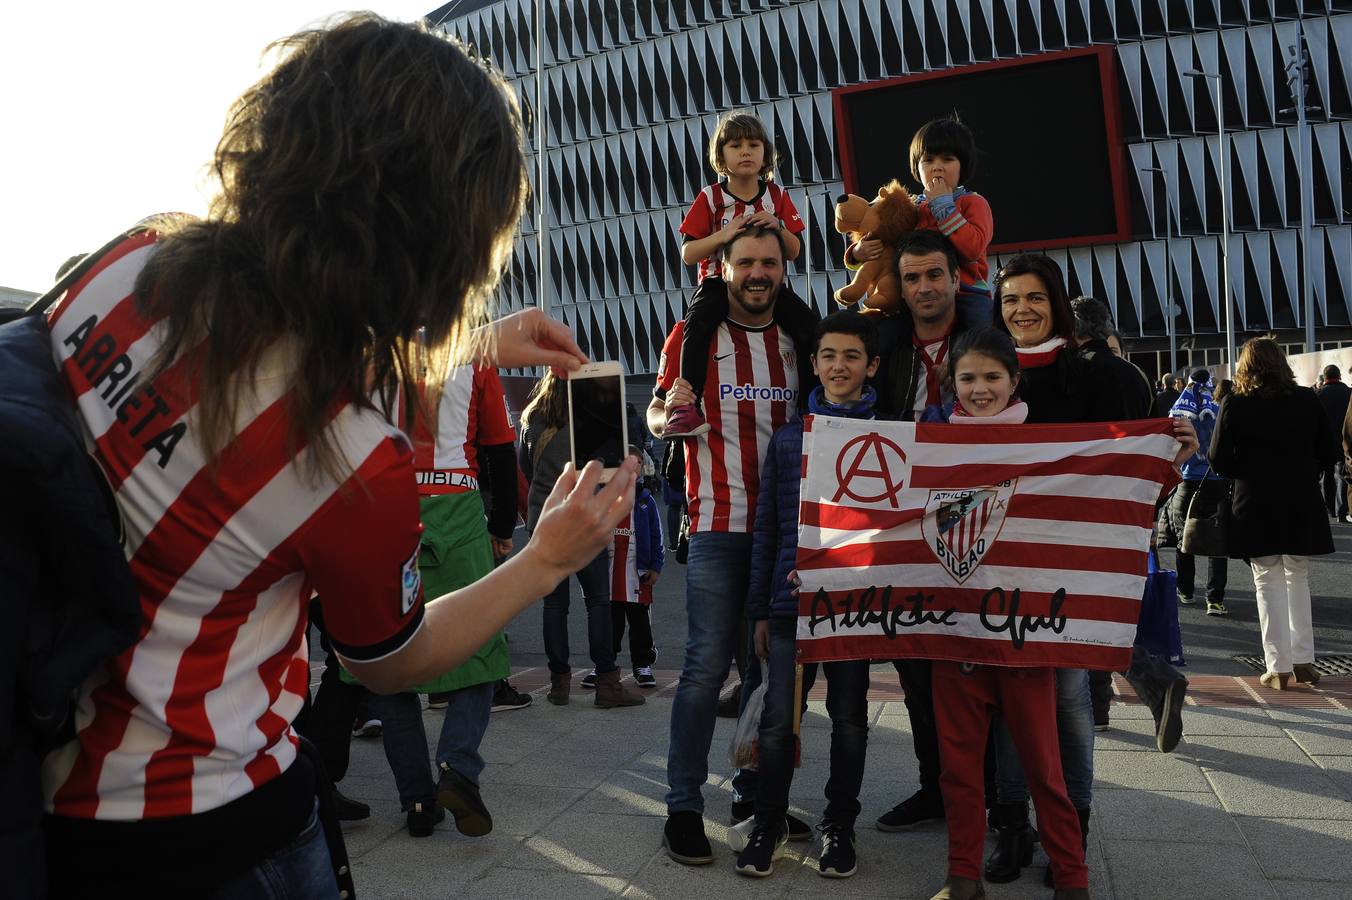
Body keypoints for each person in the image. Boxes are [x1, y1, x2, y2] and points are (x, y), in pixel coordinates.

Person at [39, 15, 637, 899]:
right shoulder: (352, 457)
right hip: (208, 814)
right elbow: (384, 660)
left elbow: (281, 341)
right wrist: (545, 560)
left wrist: (474, 342)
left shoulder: (132, 259)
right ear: (442, 235)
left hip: (53, 777)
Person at [989, 253, 1195, 886]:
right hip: (1000, 562)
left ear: (1055, 303)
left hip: (1073, 562)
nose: (1021, 310)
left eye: (1034, 298)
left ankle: (1069, 829)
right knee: (1006, 703)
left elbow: (1129, 458)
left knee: (1071, 699)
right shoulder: (987, 373)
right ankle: (1013, 826)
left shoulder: (1094, 374)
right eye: (1010, 300)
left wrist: (1171, 446)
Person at [649, 224, 817, 865]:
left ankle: (754, 797)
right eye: (744, 261)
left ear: (782, 269)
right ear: (722, 269)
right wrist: (668, 418)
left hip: (785, 531)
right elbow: (659, 413)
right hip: (719, 522)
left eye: (768, 262)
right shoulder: (694, 335)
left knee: (767, 673)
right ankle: (683, 807)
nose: (757, 272)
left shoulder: (801, 340)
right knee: (702, 669)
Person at [928, 327, 1090, 900]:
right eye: (967, 378)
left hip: (1025, 637)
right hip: (953, 635)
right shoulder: (928, 444)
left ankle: (1072, 876)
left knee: (1045, 767)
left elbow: (1107, 491)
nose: (980, 389)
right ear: (951, 383)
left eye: (992, 377)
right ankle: (962, 876)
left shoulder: (1046, 447)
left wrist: (1170, 460)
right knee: (959, 769)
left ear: (1014, 382)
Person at [734, 311, 878, 879]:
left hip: (856, 607)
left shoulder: (890, 436)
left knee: (849, 718)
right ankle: (768, 820)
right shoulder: (791, 437)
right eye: (828, 356)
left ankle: (839, 825)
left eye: (850, 356)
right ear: (813, 363)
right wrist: (761, 611)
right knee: (777, 719)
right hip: (792, 605)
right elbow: (769, 528)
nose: (838, 366)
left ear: (871, 364)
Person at [356, 362, 520, 839]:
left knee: (390, 654)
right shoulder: (477, 354)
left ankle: (418, 800)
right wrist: (503, 526)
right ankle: (458, 767)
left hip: (384, 503)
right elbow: (499, 448)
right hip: (458, 504)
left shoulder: (370, 346)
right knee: (480, 644)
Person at [871, 230, 975, 835]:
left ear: (956, 278)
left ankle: (991, 796)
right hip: (905, 524)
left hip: (973, 518)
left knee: (974, 662)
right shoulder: (885, 342)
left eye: (933, 275)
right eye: (911, 278)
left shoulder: (985, 340)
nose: (924, 288)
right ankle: (934, 786)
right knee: (914, 667)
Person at [663, 111, 816, 437]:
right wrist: (725, 234)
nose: (745, 151)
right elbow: (688, 253)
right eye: (735, 145)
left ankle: (810, 405)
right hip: (720, 282)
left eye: (753, 144)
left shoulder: (776, 195)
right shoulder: (711, 197)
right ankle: (687, 406)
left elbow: (795, 250)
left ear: (765, 155)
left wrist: (778, 225)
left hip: (769, 285)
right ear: (721, 156)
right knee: (697, 327)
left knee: (809, 327)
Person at [1209, 337, 1339, 689]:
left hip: (1255, 501)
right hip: (1301, 499)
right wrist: (1306, 470)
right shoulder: (1306, 399)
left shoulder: (1236, 403)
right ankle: (1304, 660)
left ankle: (1277, 666)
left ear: (1245, 366)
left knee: (1266, 580)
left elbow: (1218, 458)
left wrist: (1247, 468)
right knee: (1298, 576)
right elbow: (1329, 450)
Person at [519, 372, 646, 709]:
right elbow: (608, 461)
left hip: (542, 516)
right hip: (583, 515)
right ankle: (607, 684)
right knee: (597, 601)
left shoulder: (532, 415)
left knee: (554, 605)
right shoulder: (589, 417)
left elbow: (524, 466)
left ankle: (559, 684)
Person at [844, 117, 993, 332]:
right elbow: (882, 237)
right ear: (917, 167)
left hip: (967, 294)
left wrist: (943, 206)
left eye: (948, 159)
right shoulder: (910, 205)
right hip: (913, 296)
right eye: (928, 160)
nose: (937, 168)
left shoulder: (974, 203)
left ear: (964, 164)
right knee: (881, 336)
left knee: (983, 337)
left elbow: (972, 249)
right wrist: (857, 254)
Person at [1162, 370, 1230, 616]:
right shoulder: (1219, 408)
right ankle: (1215, 599)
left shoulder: (1181, 410)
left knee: (1184, 538)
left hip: (1188, 480)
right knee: (1218, 541)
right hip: (1217, 481)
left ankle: (1186, 590)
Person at [593, 468, 664, 688]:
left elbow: (657, 534)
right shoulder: (604, 498)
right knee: (610, 623)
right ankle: (605, 666)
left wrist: (656, 566)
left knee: (639, 621)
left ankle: (642, 664)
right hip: (610, 572)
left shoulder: (645, 502)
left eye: (637, 465)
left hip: (638, 572)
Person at [1316, 365, 1351, 523]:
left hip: (1325, 441)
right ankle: (1341, 509)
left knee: (1326, 476)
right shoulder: (1348, 392)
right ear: (1339, 375)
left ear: (1324, 377)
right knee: (1343, 474)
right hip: (1344, 440)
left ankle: (1330, 509)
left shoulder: (1318, 395)